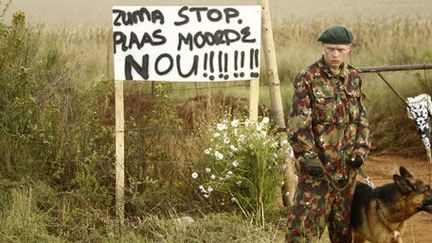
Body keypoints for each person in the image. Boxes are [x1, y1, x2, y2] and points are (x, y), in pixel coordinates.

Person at [285, 25, 370, 242]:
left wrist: (361, 150)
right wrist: (309, 160)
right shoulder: (308, 77)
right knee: (302, 232)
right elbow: (298, 125)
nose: (335, 54)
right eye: (331, 48)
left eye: (340, 50)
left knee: (343, 234)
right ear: (323, 47)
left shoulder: (353, 77)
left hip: (346, 173)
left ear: (349, 49)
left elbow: (361, 119)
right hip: (318, 173)